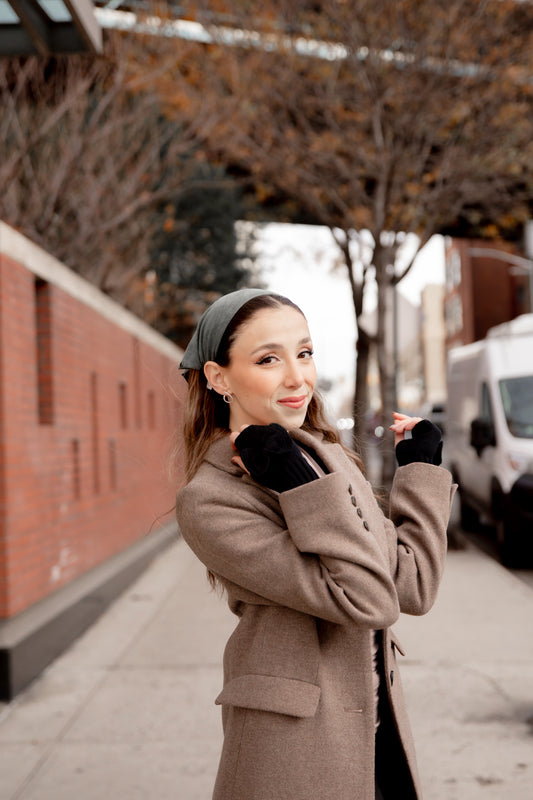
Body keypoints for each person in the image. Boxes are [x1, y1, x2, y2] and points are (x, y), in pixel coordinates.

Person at [175, 288, 454, 800]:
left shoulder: (330, 459)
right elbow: (367, 600)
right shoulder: (210, 500)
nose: (297, 377)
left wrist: (419, 473)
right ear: (218, 377)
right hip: (292, 748)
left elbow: (412, 588)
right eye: (268, 359)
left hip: (380, 725)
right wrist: (300, 485)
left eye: (304, 353)